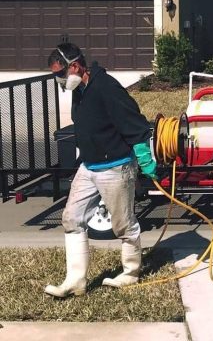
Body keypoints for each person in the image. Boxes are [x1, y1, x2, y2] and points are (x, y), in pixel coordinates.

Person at [44, 43, 158, 297]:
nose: (59, 80)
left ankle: (130, 273)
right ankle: (75, 282)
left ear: (74, 66)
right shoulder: (80, 89)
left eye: (60, 74)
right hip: (89, 166)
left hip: (116, 167)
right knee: (72, 219)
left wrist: (143, 154)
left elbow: (132, 119)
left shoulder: (105, 86)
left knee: (123, 225)